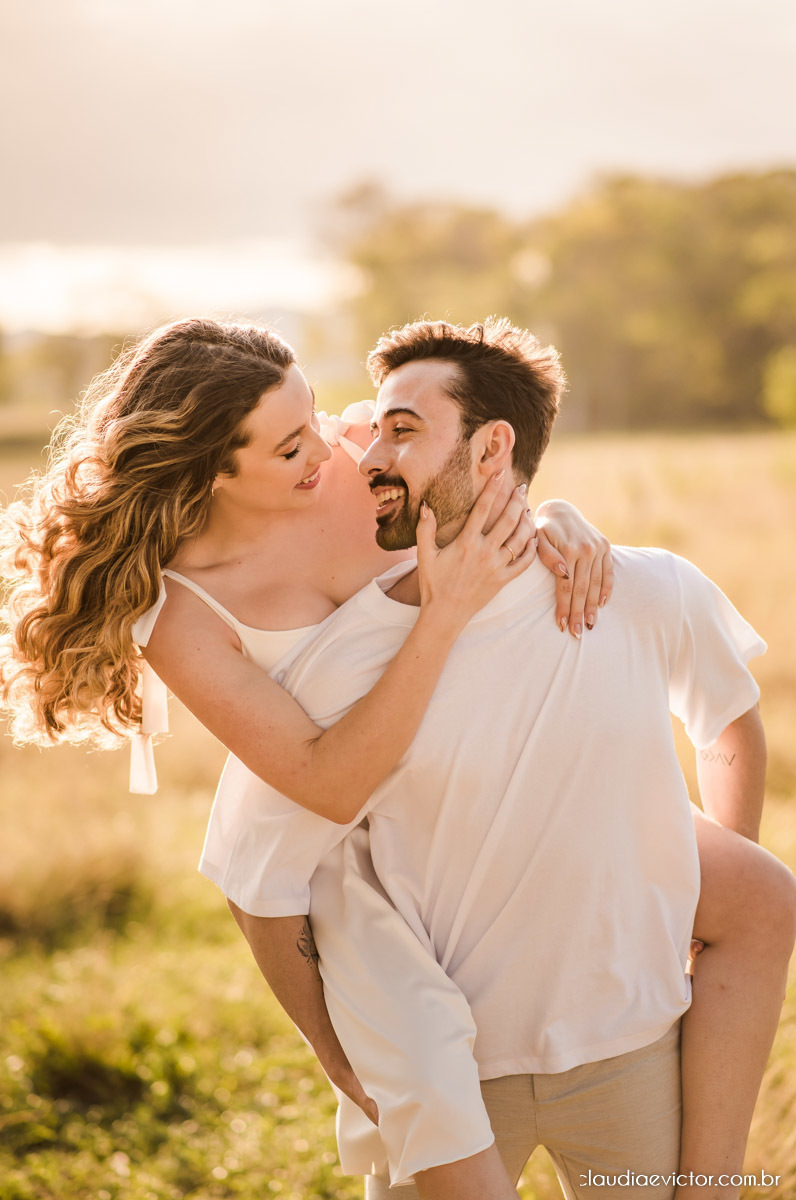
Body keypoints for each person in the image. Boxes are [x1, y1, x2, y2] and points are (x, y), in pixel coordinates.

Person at [178, 318, 796, 1200]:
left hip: (630, 1052)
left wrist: (692, 908)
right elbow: (257, 877)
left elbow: (729, 721)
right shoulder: (350, 662)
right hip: (451, 1077)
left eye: (402, 431)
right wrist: (336, 1054)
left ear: (493, 445)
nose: (366, 457)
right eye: (377, 429)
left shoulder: (639, 586)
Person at [0, 318, 616, 1199]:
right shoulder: (180, 610)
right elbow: (326, 788)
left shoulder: (358, 456)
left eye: (318, 415)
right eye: (291, 445)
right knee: (434, 1124)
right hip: (348, 853)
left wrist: (560, 517)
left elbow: (489, 484)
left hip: (491, 774)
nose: (331, 447)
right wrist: (441, 617)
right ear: (212, 468)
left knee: (752, 896)